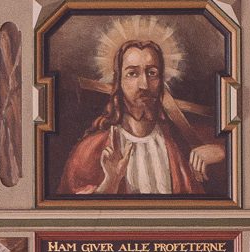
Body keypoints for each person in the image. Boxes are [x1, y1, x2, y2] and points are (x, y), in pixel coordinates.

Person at [60, 33, 228, 196]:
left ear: (161, 81)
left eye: (152, 73)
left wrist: (223, 152)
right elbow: (70, 214)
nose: (144, 85)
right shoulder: (92, 149)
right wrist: (110, 182)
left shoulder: (179, 141)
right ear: (118, 82)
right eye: (132, 73)